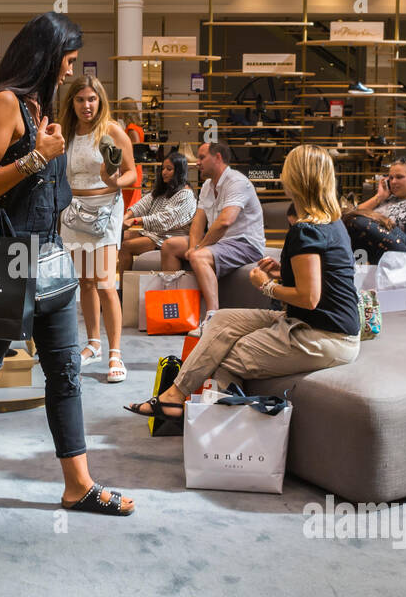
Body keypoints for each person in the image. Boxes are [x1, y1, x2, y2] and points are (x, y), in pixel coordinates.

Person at [0, 12, 133, 516]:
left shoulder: (39, 106)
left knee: (64, 371)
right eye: (67, 61)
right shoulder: (5, 103)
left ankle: (78, 484)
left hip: (51, 252)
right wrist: (37, 158)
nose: (70, 72)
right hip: (11, 257)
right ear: (47, 56)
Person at [125, 144, 361, 424]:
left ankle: (215, 433)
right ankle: (175, 397)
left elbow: (309, 298)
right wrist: (283, 273)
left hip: (322, 336)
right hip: (317, 324)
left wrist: (266, 285)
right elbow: (322, 281)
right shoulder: (331, 223)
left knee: (226, 356)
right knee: (222, 320)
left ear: (296, 178)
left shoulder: (306, 230)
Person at [59, 74, 137, 383]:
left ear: (100, 100)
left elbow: (132, 173)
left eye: (92, 99)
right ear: (72, 102)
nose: (86, 105)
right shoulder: (65, 133)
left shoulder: (112, 131)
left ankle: (115, 352)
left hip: (105, 211)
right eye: (80, 99)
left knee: (105, 282)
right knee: (85, 282)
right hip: (73, 211)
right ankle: (93, 344)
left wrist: (116, 181)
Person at [160, 142, 266, 314]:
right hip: (221, 243)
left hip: (245, 244)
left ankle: (212, 315)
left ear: (218, 158)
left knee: (199, 257)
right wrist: (194, 246)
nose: (197, 163)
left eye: (202, 157)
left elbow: (225, 221)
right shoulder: (208, 186)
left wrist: (198, 249)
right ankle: (177, 309)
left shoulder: (237, 182)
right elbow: (198, 221)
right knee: (169, 246)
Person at [117, 151, 196, 276]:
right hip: (155, 234)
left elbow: (165, 220)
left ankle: (122, 290)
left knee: (126, 246)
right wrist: (125, 217)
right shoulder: (163, 190)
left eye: (169, 169)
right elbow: (142, 204)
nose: (164, 172)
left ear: (179, 171)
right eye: (163, 168)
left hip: (168, 237)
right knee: (120, 236)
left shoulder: (186, 195)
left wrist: (136, 220)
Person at [349, 156, 406, 225]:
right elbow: (351, 214)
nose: (393, 182)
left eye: (399, 177)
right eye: (391, 178)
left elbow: (391, 229)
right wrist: (378, 197)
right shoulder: (388, 199)